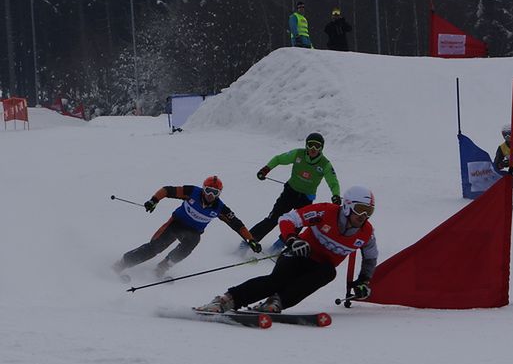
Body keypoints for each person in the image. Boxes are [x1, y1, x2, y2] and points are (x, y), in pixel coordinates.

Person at [198, 186, 379, 313]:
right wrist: (293, 239)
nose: (364, 216)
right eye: (361, 209)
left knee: (329, 272)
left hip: (319, 267)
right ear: (347, 206)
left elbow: (370, 258)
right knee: (276, 282)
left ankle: (276, 303)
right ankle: (226, 301)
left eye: (369, 212)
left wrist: (363, 281)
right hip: (298, 254)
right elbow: (287, 218)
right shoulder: (326, 212)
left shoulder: (366, 233)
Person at [113, 176, 261, 278]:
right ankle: (122, 263)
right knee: (154, 249)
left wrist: (251, 240)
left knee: (191, 243)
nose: (210, 194)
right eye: (208, 190)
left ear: (219, 193)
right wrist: (154, 200)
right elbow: (167, 190)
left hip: (193, 232)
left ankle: (162, 268)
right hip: (175, 224)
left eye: (214, 192)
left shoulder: (220, 208)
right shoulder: (192, 192)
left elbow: (237, 225)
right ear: (203, 188)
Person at [248, 132, 341, 249]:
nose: (313, 149)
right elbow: (278, 159)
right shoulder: (298, 154)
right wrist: (266, 169)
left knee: (298, 224)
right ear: (306, 145)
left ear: (321, 148)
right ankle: (249, 241)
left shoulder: (325, 164)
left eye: (317, 146)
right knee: (273, 219)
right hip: (290, 193)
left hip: (306, 198)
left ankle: (277, 247)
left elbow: (333, 182)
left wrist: (336, 195)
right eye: (310, 145)